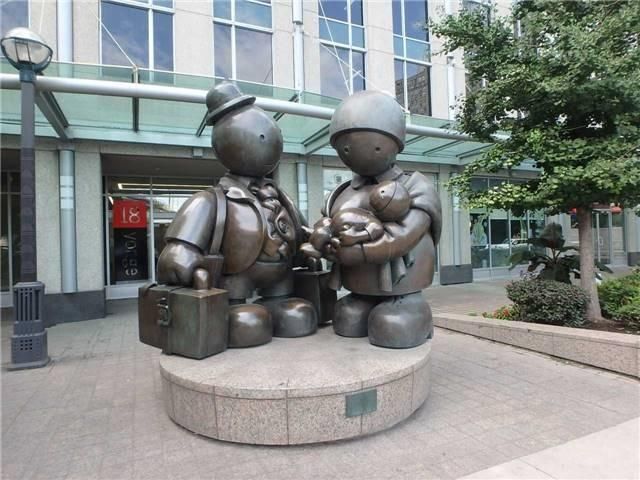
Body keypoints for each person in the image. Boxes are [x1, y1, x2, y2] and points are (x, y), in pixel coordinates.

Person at [303, 90, 442, 349]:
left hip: (401, 286)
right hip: (358, 285)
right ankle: (364, 298)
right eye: (345, 146)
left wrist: (360, 252)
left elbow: (403, 236)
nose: (354, 150)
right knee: (347, 317)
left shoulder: (415, 186)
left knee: (392, 326)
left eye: (374, 144)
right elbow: (326, 221)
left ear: (394, 142)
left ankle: (411, 306)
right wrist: (324, 240)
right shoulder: (341, 191)